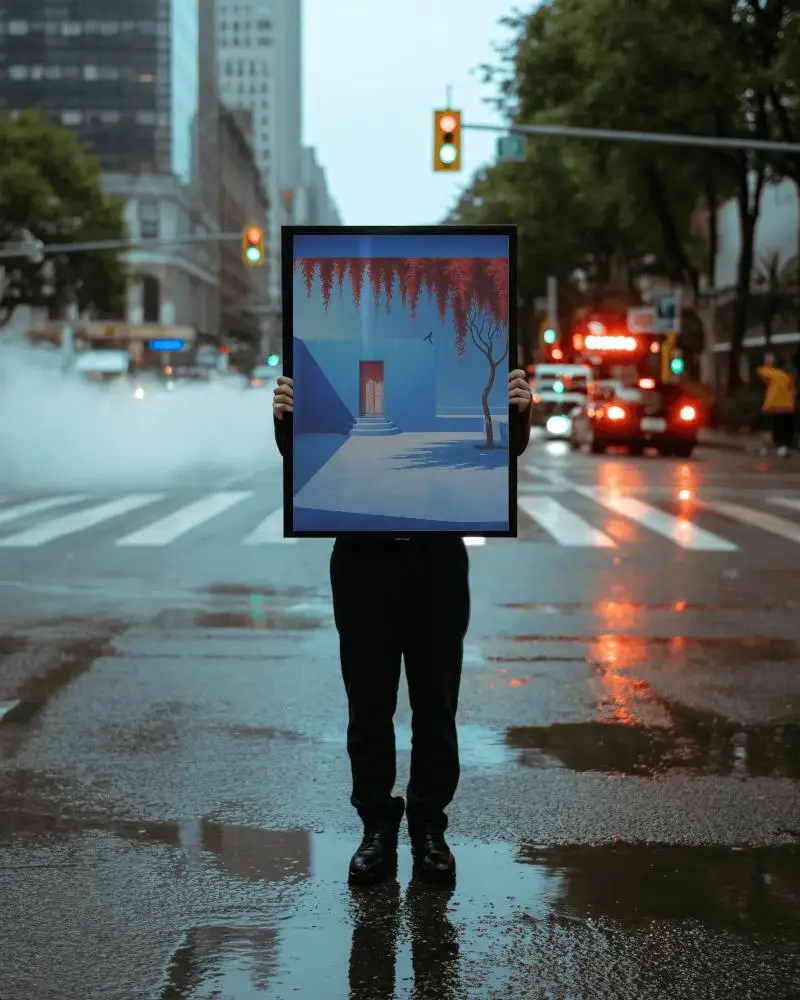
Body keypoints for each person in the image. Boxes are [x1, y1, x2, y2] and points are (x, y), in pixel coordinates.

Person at [273, 368, 532, 883]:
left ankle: (429, 829)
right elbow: (304, 455)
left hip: (436, 558)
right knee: (368, 702)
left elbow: (501, 454)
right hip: (361, 560)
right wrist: (288, 419)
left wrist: (518, 413)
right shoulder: (346, 364)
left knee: (436, 701)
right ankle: (376, 829)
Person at [757, 353, 796, 457]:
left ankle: (781, 447)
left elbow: (792, 389)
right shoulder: (766, 371)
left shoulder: (785, 374)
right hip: (774, 405)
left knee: (782, 428)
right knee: (774, 427)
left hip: (784, 405)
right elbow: (762, 373)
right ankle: (773, 447)